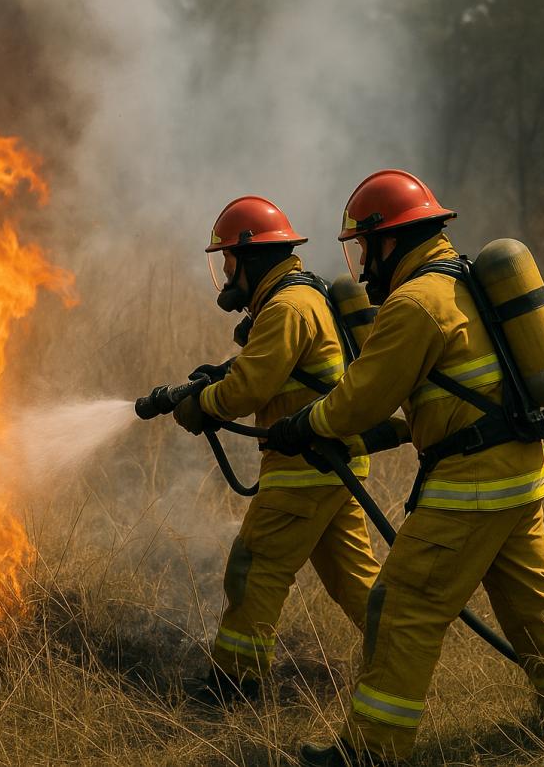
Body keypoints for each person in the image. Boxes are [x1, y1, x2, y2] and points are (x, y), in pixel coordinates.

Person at [267, 169, 544, 766]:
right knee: (536, 606)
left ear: (390, 240)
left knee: (402, 607)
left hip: (471, 489)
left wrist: (306, 422)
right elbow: (444, 395)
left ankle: (373, 749)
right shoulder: (461, 281)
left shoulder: (414, 304)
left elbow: (360, 399)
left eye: (364, 248)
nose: (363, 266)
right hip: (517, 474)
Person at [173, 195, 381, 706]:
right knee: (354, 581)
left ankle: (234, 685)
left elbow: (248, 389)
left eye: (228, 260)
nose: (226, 273)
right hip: (329, 463)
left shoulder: (286, 307)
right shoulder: (299, 297)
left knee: (255, 565)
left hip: (304, 467)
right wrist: (219, 375)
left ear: (253, 257)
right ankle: (402, 656)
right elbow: (267, 368)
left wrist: (202, 404)